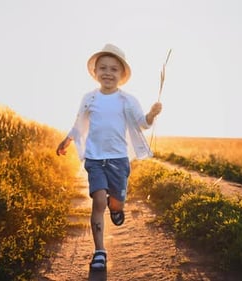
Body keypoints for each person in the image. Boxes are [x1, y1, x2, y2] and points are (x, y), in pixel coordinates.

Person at [55, 43, 162, 271]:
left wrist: (151, 115)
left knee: (115, 202)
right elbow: (79, 124)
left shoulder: (127, 100)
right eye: (102, 68)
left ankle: (117, 208)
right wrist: (67, 140)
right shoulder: (89, 98)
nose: (108, 73)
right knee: (99, 201)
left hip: (118, 160)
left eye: (114, 69)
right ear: (95, 72)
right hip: (95, 160)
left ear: (122, 75)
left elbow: (142, 124)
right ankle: (99, 251)